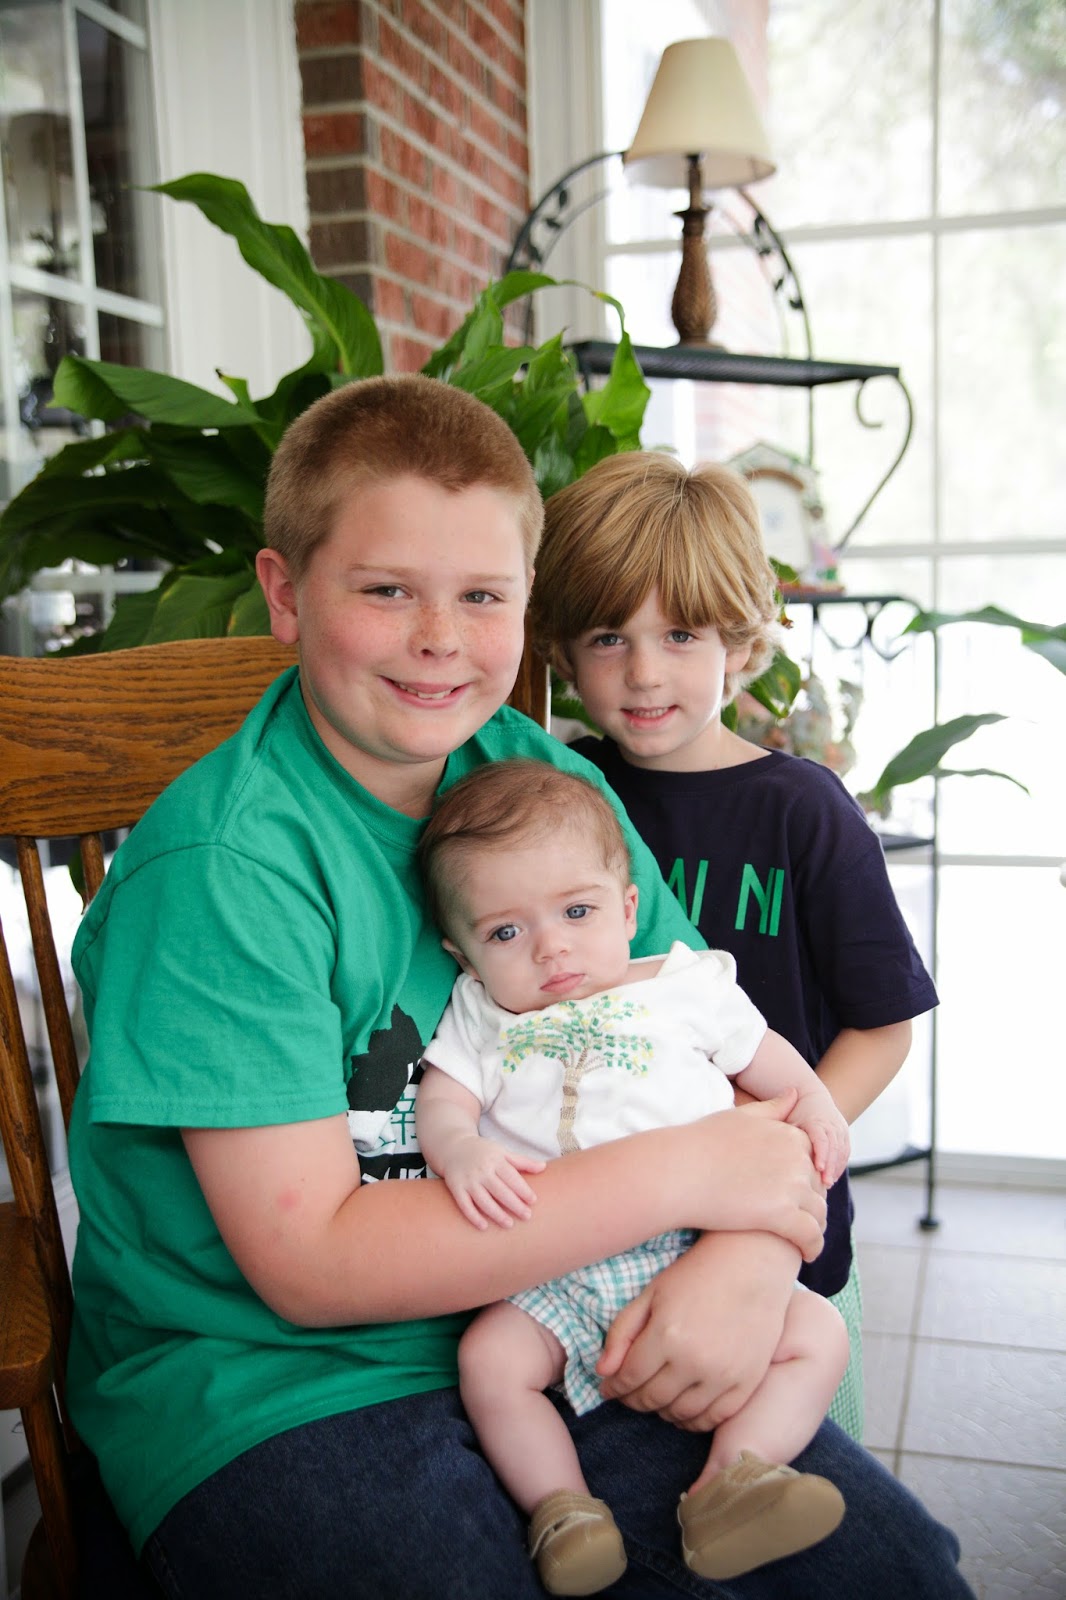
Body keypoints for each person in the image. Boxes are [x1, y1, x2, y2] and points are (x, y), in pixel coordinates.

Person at [65, 375, 972, 1600]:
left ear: (525, 600)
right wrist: (688, 1177)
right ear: (284, 593)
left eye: (483, 596)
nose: (441, 638)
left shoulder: (546, 788)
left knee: (894, 1575)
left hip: (572, 1308)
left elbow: (705, 1043)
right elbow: (311, 1264)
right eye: (386, 590)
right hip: (279, 1380)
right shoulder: (222, 871)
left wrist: (746, 1257)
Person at [530, 450, 940, 1444]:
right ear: (564, 653)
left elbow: (884, 1026)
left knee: (795, 1479)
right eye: (608, 636)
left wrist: (784, 1155)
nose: (643, 672)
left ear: (741, 637)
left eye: (680, 633)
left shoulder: (805, 810)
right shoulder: (561, 799)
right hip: (605, 1244)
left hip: (780, 1248)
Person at [416, 759, 851, 1593]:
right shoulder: (483, 1014)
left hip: (694, 1249)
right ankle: (563, 1511)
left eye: (577, 912)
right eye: (504, 933)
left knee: (819, 1335)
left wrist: (818, 1106)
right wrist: (461, 1150)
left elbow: (768, 1062)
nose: (551, 947)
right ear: (461, 953)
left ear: (627, 908)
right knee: (491, 1363)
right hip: (555, 1266)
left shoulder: (686, 985)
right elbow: (445, 1100)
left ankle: (735, 1482)